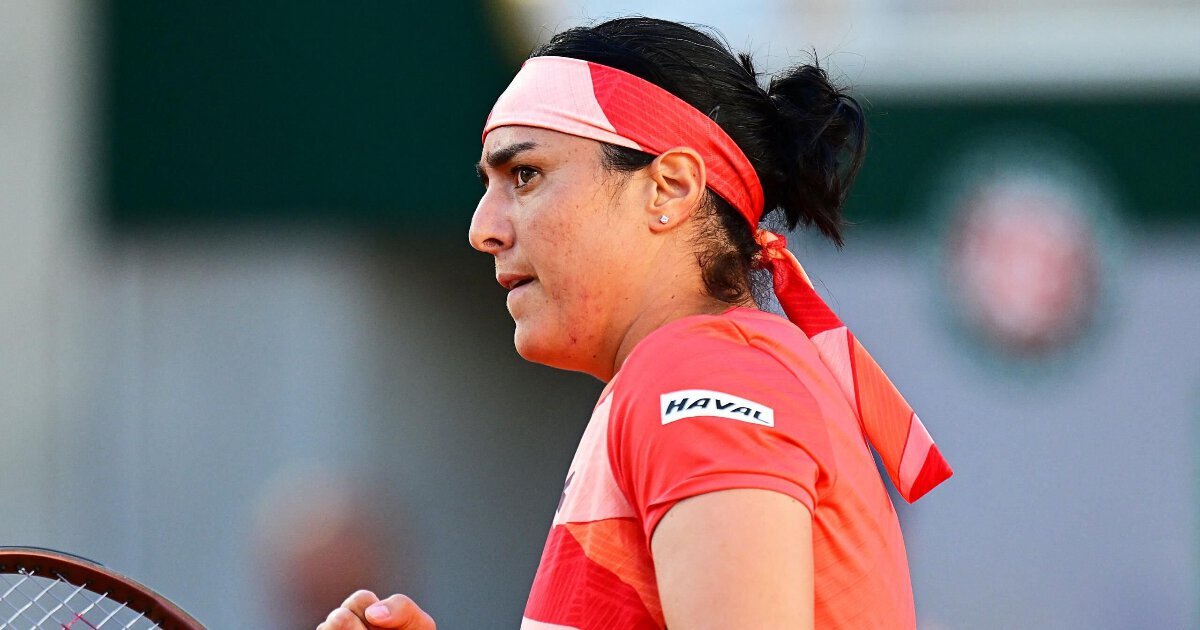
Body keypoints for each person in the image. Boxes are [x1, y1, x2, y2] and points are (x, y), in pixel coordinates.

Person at [319, 16, 951, 630]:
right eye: (490, 183)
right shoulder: (708, 369)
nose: (482, 228)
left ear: (669, 188)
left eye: (525, 175)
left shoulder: (698, 373)